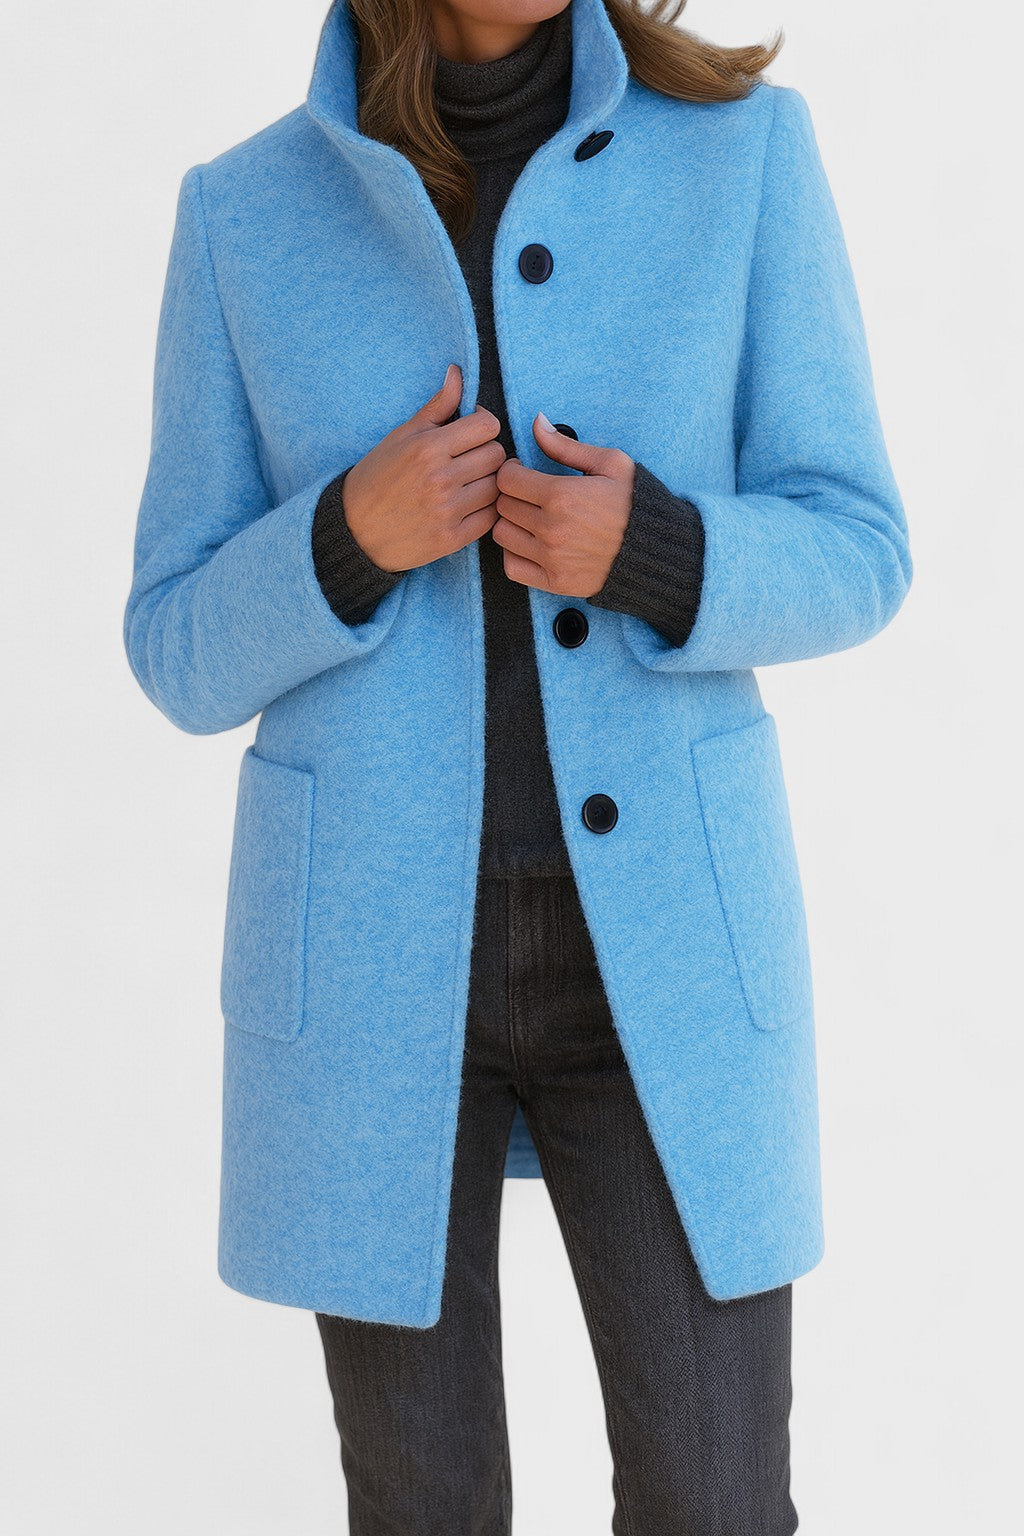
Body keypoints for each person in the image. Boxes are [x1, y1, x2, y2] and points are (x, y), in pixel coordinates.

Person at [122, 0, 912, 1530]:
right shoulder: (245, 211)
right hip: (368, 971)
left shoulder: (743, 155)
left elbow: (860, 545)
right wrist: (346, 539)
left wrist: (661, 550)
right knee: (424, 1510)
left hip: (663, 954)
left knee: (717, 1501)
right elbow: (172, 643)